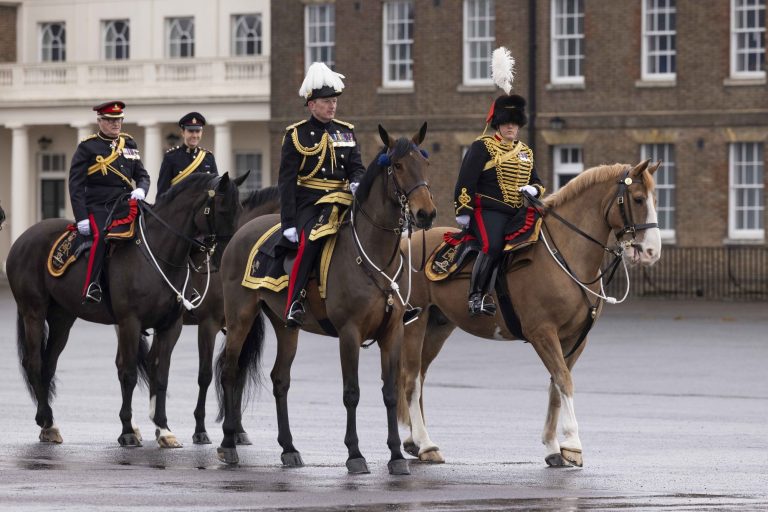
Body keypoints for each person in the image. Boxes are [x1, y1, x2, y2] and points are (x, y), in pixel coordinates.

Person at [278, 62, 366, 327]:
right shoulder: (296, 135)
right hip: (311, 204)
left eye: (334, 101)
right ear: (311, 104)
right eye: (327, 101)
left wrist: (357, 183)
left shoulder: (346, 131)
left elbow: (357, 168)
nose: (332, 106)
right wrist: (289, 222)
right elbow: (286, 182)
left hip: (343, 201)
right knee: (309, 244)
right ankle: (294, 301)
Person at [454, 94, 545, 316]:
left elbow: (537, 182)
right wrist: (463, 210)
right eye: (506, 122)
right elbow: (466, 180)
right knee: (493, 246)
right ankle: (475, 296)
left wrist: (533, 189)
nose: (510, 127)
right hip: (487, 211)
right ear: (498, 124)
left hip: (517, 213)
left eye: (514, 123)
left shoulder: (526, 151)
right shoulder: (482, 146)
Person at [69, 101, 151, 303]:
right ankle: (92, 285)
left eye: (119, 120)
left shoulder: (129, 143)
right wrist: (81, 217)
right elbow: (76, 186)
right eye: (110, 120)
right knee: (101, 236)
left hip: (127, 203)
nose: (116, 124)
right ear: (100, 121)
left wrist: (141, 188)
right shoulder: (88, 147)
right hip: (99, 205)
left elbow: (142, 175)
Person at [157, 112, 218, 195]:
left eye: (198, 131)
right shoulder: (171, 157)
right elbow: (162, 191)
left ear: (201, 132)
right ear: (182, 132)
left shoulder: (208, 157)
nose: (194, 135)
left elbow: (215, 188)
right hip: (179, 206)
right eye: (191, 131)